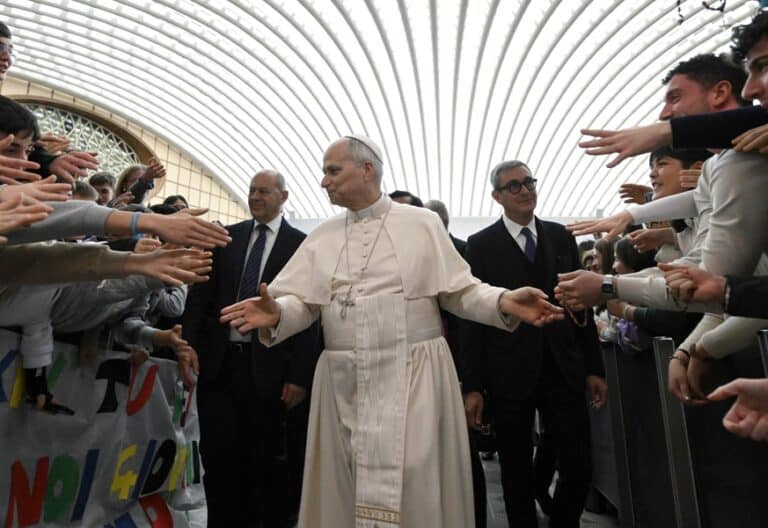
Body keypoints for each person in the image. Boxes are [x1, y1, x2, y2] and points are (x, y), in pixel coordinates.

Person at [219, 135, 564, 527]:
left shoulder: (421, 223)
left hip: (414, 376)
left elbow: (461, 292)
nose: (324, 182)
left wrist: (503, 301)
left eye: (333, 171)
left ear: (367, 169)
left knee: (417, 484)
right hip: (345, 382)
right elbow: (305, 302)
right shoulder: (323, 236)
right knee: (346, 487)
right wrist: (277, 312)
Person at [461, 160, 606, 528]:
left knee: (578, 465)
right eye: (514, 186)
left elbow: (580, 309)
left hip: (563, 368)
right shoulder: (480, 246)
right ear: (497, 196)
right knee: (515, 470)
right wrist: (473, 386)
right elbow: (473, 320)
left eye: (529, 182)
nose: (525, 190)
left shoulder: (560, 237)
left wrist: (593, 368)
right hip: (509, 372)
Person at [183, 169, 320, 527]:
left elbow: (311, 314)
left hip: (271, 373)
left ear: (283, 197)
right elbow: (201, 299)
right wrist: (188, 348)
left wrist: (299, 377)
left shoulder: (302, 245)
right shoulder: (227, 238)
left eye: (264, 191)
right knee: (219, 457)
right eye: (252, 191)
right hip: (219, 368)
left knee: (265, 461)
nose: (256, 197)